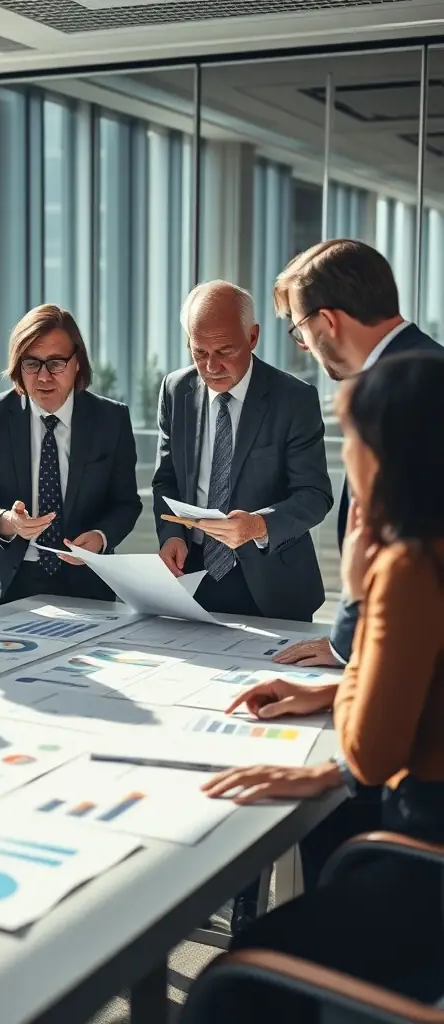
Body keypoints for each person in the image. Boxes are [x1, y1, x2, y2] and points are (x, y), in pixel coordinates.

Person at [196, 352, 444, 1022]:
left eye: (354, 440)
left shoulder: (410, 567)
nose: (348, 463)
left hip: (427, 867)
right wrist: (331, 693)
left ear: (392, 453)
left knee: (231, 981)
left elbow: (368, 756)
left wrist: (360, 600)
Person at [269, 238, 441, 669]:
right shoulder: (424, 369)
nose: (303, 345)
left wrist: (347, 653)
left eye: (299, 329)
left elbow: (391, 548)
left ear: (326, 320)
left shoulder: (399, 394)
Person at [153, 280, 333, 623]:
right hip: (190, 578)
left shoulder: (294, 399)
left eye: (224, 351)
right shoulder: (175, 390)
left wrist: (258, 526)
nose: (211, 367)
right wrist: (172, 534)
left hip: (274, 585)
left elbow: (315, 495)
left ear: (253, 337)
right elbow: (166, 480)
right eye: (199, 352)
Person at [0, 304, 142, 610]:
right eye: (31, 364)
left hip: (85, 581)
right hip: (5, 584)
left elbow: (126, 503)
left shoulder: (111, 419)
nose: (43, 377)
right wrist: (6, 521)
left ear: (77, 362)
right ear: (18, 366)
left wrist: (100, 537)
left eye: (56, 363)